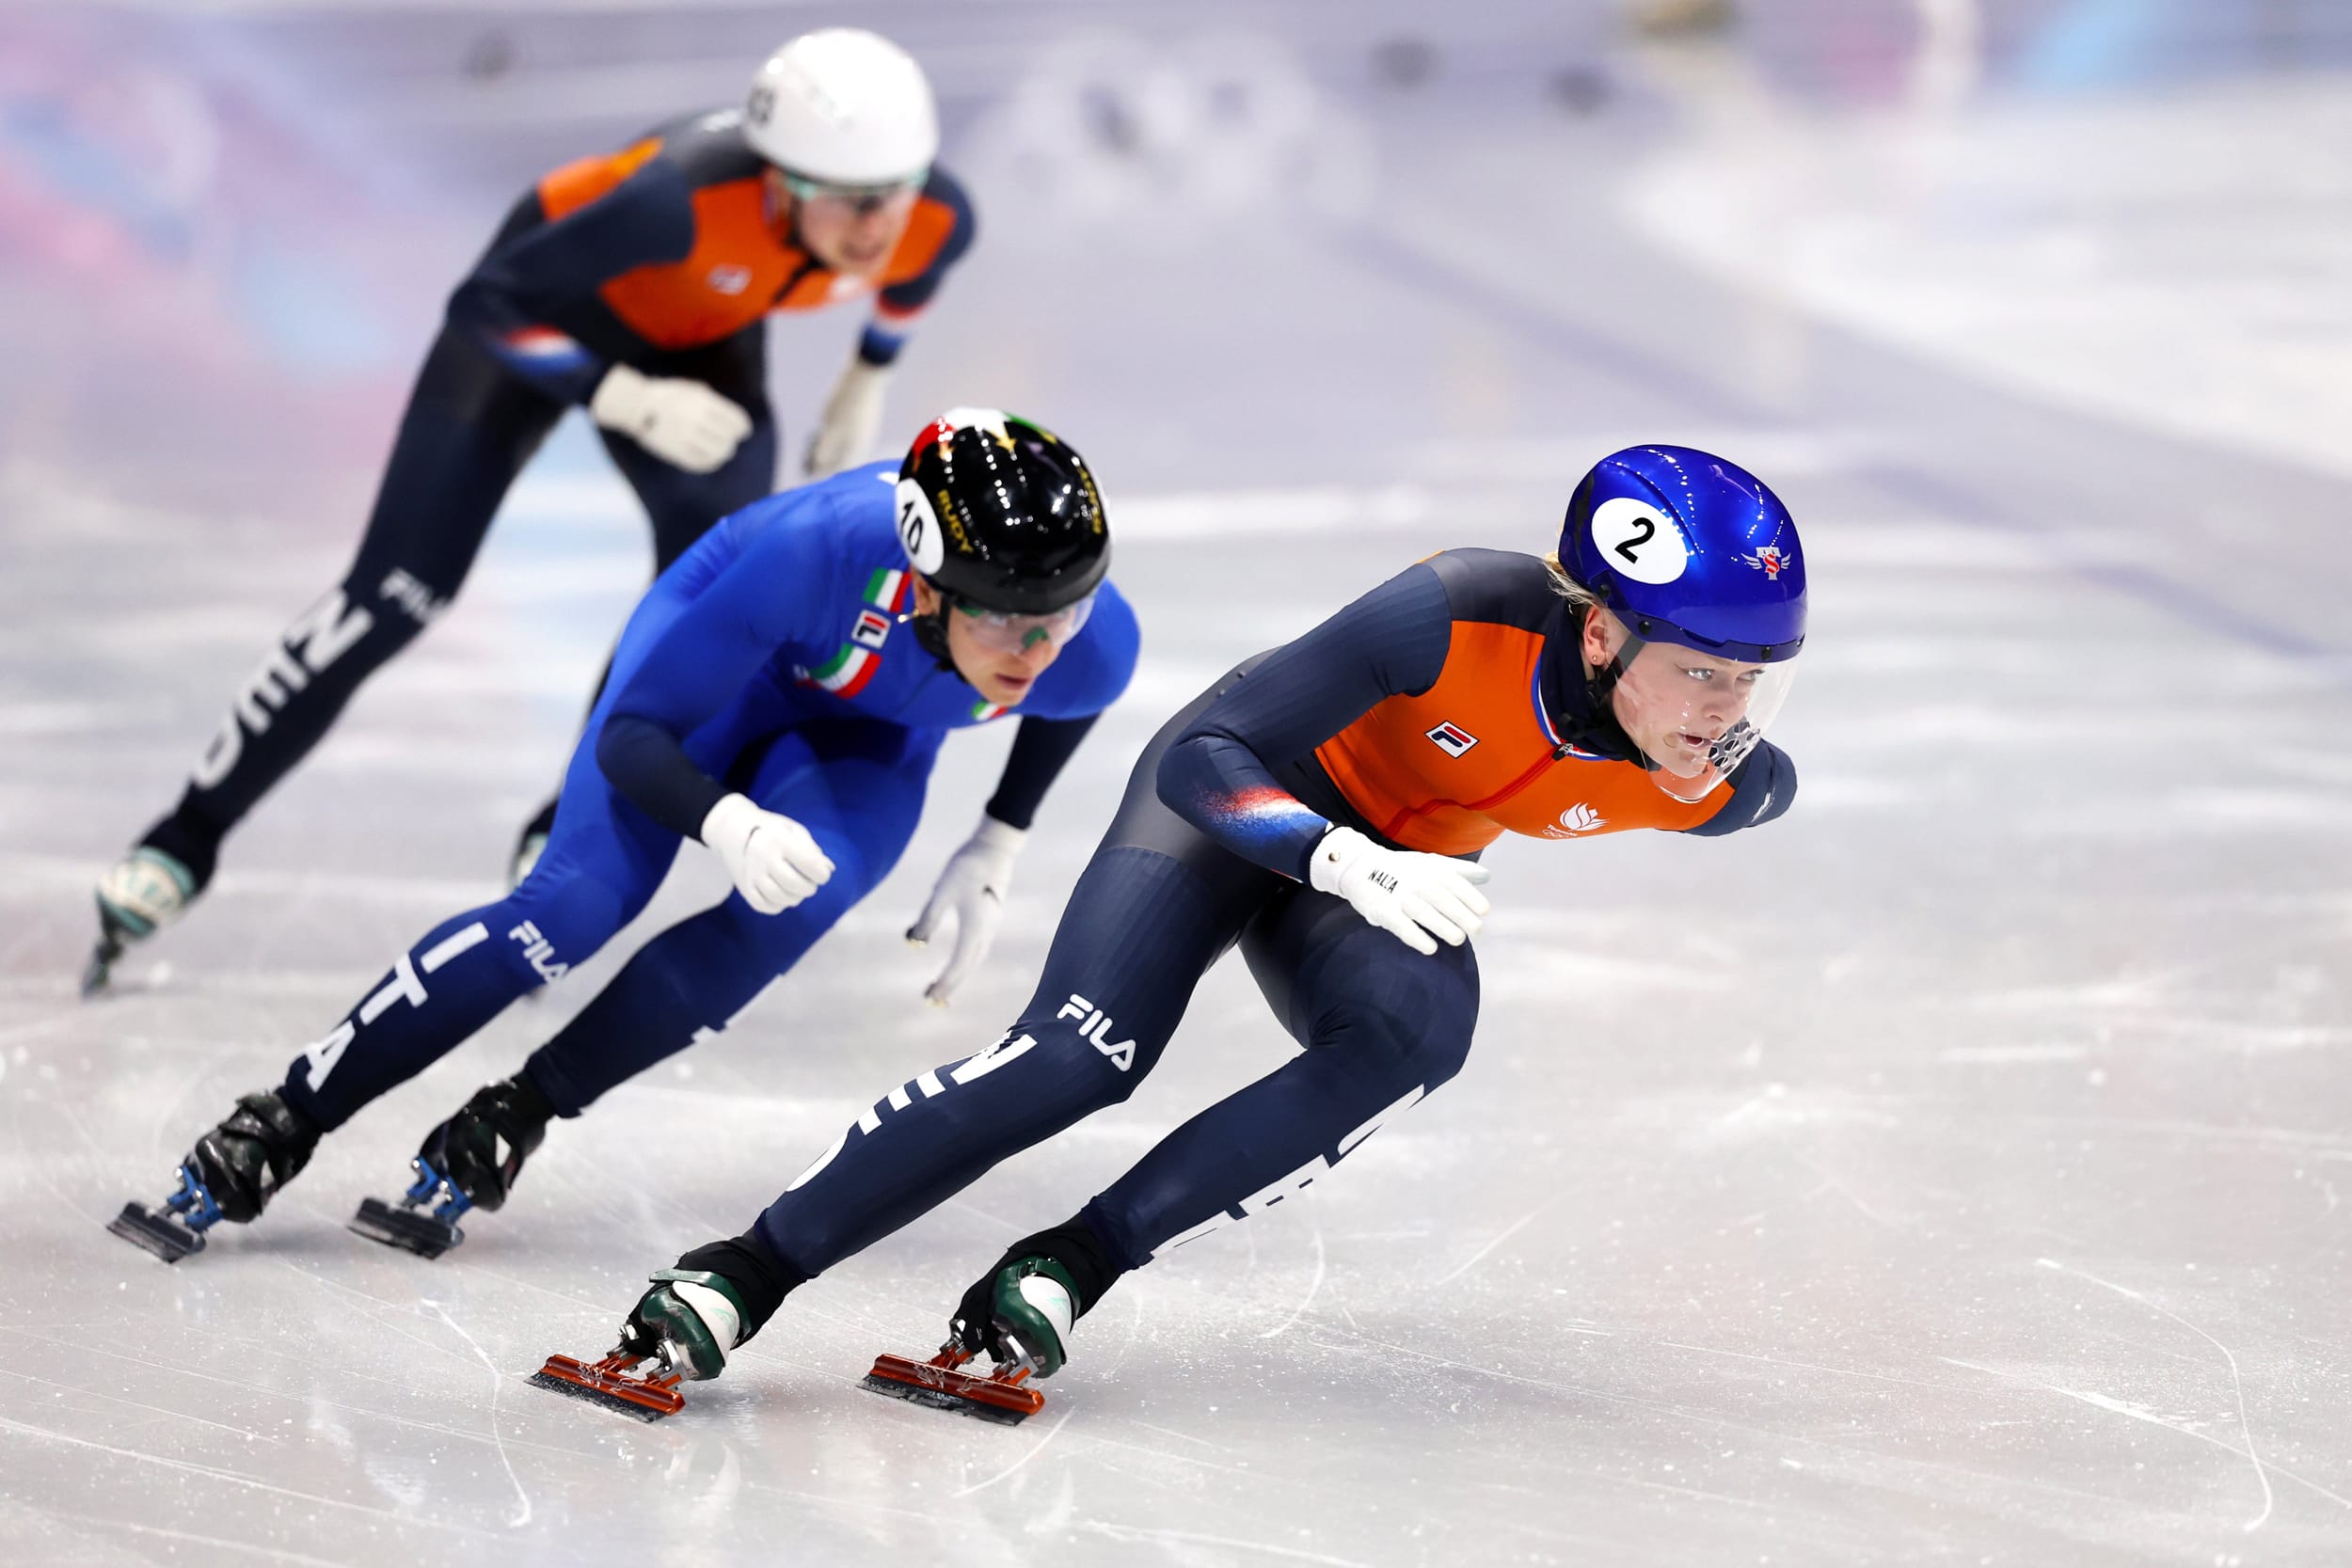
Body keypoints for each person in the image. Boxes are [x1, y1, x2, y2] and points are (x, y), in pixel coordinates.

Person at [560, 443, 1808, 1399]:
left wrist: (1379, 870)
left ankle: (1069, 1261)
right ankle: (743, 1268)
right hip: (1239, 803)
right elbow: (1205, 758)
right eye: (1703, 669)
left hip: (1385, 868)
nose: (1724, 708)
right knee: (1081, 1056)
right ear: (1599, 628)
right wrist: (1341, 858)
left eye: (1750, 677)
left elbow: (1771, 784)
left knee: (1416, 1036)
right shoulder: (1448, 611)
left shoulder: (1712, 777)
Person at [107, 409, 1138, 1263]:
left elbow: (1066, 700)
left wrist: (997, 837)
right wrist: (721, 816)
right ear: (924, 586)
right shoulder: (803, 556)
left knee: (799, 905)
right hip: (716, 669)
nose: (1041, 650)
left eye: (1065, 614)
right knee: (566, 909)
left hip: (870, 725)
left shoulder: (1087, 645)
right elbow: (636, 737)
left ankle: (520, 1108)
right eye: (1010, 621)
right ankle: (286, 1116)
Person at [86, 27, 977, 993]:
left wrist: (865, 377)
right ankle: (187, 831)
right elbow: (486, 303)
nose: (877, 228)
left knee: (704, 599)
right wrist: (621, 397)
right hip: (535, 325)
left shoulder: (932, 215)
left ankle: (566, 823)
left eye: (895, 193)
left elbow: (913, 269)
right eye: (850, 202)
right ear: (779, 183)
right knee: (396, 593)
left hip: (699, 343)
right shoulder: (673, 198)